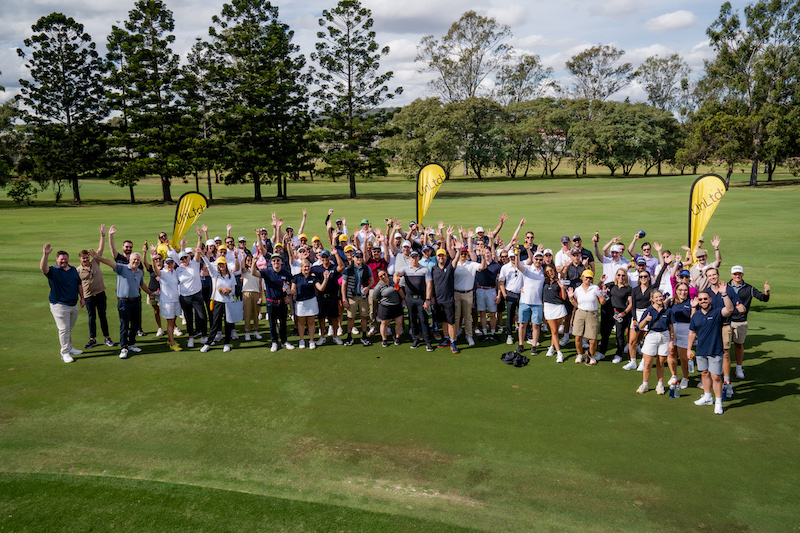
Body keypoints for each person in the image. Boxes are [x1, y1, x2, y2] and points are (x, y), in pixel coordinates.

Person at [92, 250, 153, 359]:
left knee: (135, 324)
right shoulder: (122, 268)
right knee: (124, 325)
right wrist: (99, 258)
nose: (136, 261)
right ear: (129, 260)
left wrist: (150, 293)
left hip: (136, 301)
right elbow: (110, 262)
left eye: (138, 260)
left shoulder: (139, 272)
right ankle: (124, 347)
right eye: (134, 259)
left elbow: (141, 284)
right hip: (124, 302)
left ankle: (131, 344)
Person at [688, 287, 734, 415]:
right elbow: (692, 333)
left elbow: (729, 309)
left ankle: (718, 402)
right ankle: (707, 397)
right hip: (701, 350)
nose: (703, 301)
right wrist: (688, 349)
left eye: (705, 299)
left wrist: (724, 294)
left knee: (716, 377)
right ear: (698, 301)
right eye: (701, 299)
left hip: (715, 349)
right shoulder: (696, 315)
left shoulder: (717, 312)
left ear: (710, 300)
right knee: (704, 373)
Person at [704, 266, 745, 397]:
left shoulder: (728, 290)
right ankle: (710, 382)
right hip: (710, 327)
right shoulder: (706, 292)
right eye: (709, 275)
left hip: (725, 326)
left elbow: (739, 304)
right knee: (710, 354)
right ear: (707, 278)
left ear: (718, 275)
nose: (712, 277)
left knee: (725, 354)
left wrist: (740, 307)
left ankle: (727, 383)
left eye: (714, 274)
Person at [624, 243, 666, 371]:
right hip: (636, 315)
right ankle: (632, 361)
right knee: (632, 341)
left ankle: (643, 362)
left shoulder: (652, 289)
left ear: (649, 277)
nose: (643, 278)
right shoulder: (635, 289)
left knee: (645, 341)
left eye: (645, 276)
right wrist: (635, 319)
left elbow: (658, 279)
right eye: (641, 276)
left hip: (648, 315)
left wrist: (665, 264)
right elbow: (633, 305)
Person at [41, 243, 85, 363]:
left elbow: (79, 284)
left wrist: (82, 298)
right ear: (57, 259)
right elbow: (43, 268)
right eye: (61, 259)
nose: (64, 261)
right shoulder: (53, 271)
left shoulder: (73, 270)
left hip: (73, 304)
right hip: (59, 305)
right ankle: (64, 353)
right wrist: (45, 255)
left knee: (69, 328)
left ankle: (69, 348)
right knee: (64, 329)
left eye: (65, 259)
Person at [728, 265, 770, 379]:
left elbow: (763, 298)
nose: (737, 276)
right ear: (731, 275)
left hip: (740, 321)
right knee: (724, 348)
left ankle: (739, 368)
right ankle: (724, 370)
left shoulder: (749, 288)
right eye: (735, 274)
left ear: (742, 275)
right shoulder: (725, 287)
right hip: (726, 321)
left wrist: (766, 292)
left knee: (738, 345)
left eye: (739, 274)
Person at [77, 224, 114, 349]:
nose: (86, 260)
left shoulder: (95, 262)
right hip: (89, 297)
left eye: (87, 257)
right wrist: (81, 298)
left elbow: (100, 249)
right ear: (80, 259)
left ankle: (107, 338)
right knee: (91, 318)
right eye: (84, 258)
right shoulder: (78, 270)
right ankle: (92, 339)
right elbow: (78, 285)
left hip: (100, 294)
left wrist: (103, 235)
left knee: (103, 316)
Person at [169, 231, 208, 348]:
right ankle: (191, 337)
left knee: (202, 316)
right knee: (189, 318)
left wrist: (200, 237)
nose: (184, 260)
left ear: (189, 257)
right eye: (182, 259)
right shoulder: (178, 269)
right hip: (185, 297)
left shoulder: (194, 264)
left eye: (185, 257)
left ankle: (204, 336)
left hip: (197, 295)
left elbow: (198, 250)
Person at [252, 252, 295, 352]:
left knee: (283, 324)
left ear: (281, 262)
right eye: (274, 260)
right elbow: (254, 273)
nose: (276, 262)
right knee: (272, 324)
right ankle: (274, 342)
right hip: (271, 302)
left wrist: (290, 296)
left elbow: (293, 284)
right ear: (271, 262)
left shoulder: (286, 273)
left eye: (278, 260)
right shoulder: (267, 272)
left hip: (282, 302)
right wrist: (254, 263)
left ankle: (284, 341)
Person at [396, 250, 434, 351]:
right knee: (412, 320)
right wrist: (396, 275)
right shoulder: (406, 269)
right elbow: (399, 273)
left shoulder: (425, 269)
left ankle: (428, 342)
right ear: (410, 259)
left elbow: (429, 285)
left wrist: (427, 299)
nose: (414, 259)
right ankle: (415, 339)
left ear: (418, 258)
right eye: (412, 257)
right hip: (409, 299)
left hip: (421, 298)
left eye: (416, 257)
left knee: (423, 320)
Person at [635, 290, 672, 394]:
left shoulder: (668, 311)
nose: (659, 299)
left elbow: (671, 326)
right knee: (647, 363)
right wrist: (646, 319)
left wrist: (672, 340)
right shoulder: (648, 310)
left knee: (661, 363)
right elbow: (640, 326)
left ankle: (659, 385)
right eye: (656, 297)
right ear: (652, 299)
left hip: (665, 336)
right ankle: (645, 385)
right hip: (652, 336)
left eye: (660, 296)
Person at [200, 253, 237, 353]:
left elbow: (233, 290)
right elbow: (207, 264)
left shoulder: (231, 276)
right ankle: (208, 343)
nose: (221, 266)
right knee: (215, 323)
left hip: (228, 302)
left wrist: (228, 291)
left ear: (225, 265)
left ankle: (227, 343)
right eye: (219, 264)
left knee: (228, 323)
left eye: (223, 264)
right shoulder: (214, 274)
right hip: (218, 302)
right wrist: (202, 255)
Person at [567, 270, 606, 364]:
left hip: (592, 314)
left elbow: (602, 302)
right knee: (578, 336)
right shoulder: (578, 290)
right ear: (582, 277)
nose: (588, 279)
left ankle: (591, 356)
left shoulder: (595, 288)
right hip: (580, 313)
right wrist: (571, 298)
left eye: (590, 278)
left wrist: (602, 295)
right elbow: (576, 304)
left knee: (592, 339)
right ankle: (579, 355)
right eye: (586, 277)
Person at [453, 235, 485, 346]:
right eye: (461, 253)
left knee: (467, 316)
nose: (462, 255)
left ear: (467, 255)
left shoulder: (471, 264)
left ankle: (469, 336)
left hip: (468, 293)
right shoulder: (455, 264)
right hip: (456, 293)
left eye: (464, 254)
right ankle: (455, 334)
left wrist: (484, 257)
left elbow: (482, 267)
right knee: (457, 316)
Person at [513, 250, 545, 356]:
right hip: (524, 302)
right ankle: (521, 344)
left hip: (537, 303)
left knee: (536, 325)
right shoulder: (528, 269)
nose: (538, 261)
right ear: (533, 259)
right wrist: (517, 254)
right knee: (522, 324)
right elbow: (517, 265)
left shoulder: (544, 272)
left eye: (540, 260)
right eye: (536, 259)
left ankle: (534, 346)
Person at [149, 250, 182, 351]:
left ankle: (170, 338)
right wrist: (153, 259)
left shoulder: (175, 272)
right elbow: (155, 270)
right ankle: (172, 343)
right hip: (167, 302)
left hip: (176, 300)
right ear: (165, 264)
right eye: (168, 263)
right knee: (170, 322)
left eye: (171, 263)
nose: (170, 265)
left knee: (174, 320)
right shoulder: (162, 273)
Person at [310, 249, 345, 345]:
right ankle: (322, 336)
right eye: (323, 257)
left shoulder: (333, 267)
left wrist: (336, 254)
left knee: (334, 317)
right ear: (320, 258)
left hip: (332, 296)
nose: (325, 258)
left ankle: (335, 335)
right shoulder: (316, 269)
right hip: (321, 297)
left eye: (327, 256)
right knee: (321, 317)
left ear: (329, 257)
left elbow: (341, 266)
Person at [291, 259, 328, 349]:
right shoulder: (296, 277)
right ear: (301, 268)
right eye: (305, 266)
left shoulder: (313, 278)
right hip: (300, 303)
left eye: (308, 266)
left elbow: (321, 288)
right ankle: (302, 340)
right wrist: (288, 291)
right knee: (301, 322)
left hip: (311, 301)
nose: (306, 268)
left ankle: (311, 340)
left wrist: (326, 279)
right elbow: (293, 290)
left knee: (311, 322)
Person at [431, 237, 460, 353]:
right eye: (439, 256)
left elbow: (456, 261)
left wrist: (458, 251)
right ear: (436, 257)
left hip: (448, 300)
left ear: (445, 256)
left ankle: (453, 342)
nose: (441, 257)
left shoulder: (450, 267)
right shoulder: (433, 269)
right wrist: (432, 298)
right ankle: (446, 339)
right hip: (438, 301)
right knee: (443, 321)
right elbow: (431, 285)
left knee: (451, 322)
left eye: (443, 255)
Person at [341, 250, 373, 346]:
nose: (359, 259)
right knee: (351, 318)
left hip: (363, 297)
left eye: (360, 257)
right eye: (357, 257)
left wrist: (367, 288)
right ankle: (349, 337)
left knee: (364, 317)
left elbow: (372, 280)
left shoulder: (366, 268)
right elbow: (344, 285)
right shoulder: (348, 269)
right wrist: (344, 299)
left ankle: (364, 336)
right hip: (352, 297)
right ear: (353, 258)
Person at [666, 282, 692, 389]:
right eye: (680, 290)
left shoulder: (691, 303)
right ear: (676, 291)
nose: (683, 292)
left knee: (683, 357)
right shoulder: (671, 302)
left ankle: (685, 377)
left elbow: (693, 318)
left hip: (685, 330)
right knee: (671, 353)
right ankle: (674, 375)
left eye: (685, 290)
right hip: (671, 330)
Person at [542, 264, 568, 362]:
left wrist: (562, 288)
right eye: (548, 272)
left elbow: (564, 297)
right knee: (554, 331)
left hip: (559, 307)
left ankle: (552, 347)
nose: (550, 273)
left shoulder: (559, 281)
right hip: (548, 307)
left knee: (555, 331)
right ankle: (559, 353)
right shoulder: (544, 281)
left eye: (551, 270)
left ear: (554, 270)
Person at [607, 268, 633, 364]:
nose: (621, 277)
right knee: (606, 332)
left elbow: (631, 303)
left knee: (619, 334)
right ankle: (602, 351)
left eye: (623, 275)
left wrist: (624, 313)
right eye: (619, 275)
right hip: (611, 311)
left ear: (625, 276)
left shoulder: (628, 289)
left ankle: (619, 354)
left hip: (621, 312)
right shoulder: (611, 285)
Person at [498, 248, 522, 345]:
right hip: (510, 293)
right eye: (511, 257)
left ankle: (527, 335)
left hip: (521, 294)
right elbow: (501, 282)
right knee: (510, 316)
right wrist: (504, 294)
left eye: (514, 256)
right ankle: (509, 335)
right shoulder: (505, 268)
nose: (512, 258)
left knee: (523, 315)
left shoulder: (521, 265)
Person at [373, 269, 404, 347]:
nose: (383, 276)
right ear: (379, 278)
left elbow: (399, 289)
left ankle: (397, 337)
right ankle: (384, 339)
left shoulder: (393, 281)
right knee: (384, 324)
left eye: (384, 274)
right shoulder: (378, 287)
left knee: (399, 322)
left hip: (396, 305)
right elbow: (375, 298)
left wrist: (403, 299)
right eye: (381, 276)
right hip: (385, 307)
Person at [240, 254, 263, 341]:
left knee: (256, 314)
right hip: (247, 293)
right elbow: (242, 267)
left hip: (256, 293)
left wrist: (261, 297)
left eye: (251, 260)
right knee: (247, 313)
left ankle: (256, 330)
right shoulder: (245, 271)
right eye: (248, 260)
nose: (250, 262)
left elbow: (260, 286)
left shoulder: (258, 272)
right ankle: (247, 332)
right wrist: (242, 257)